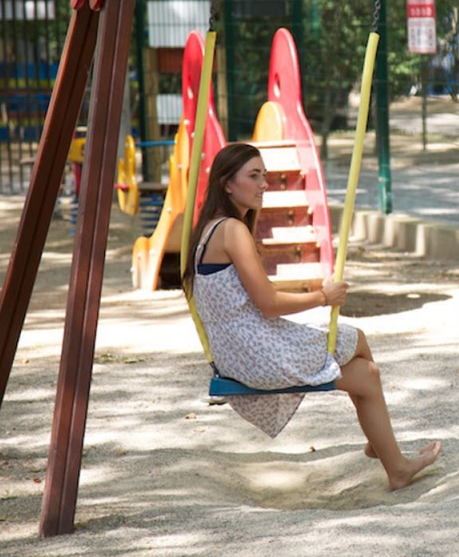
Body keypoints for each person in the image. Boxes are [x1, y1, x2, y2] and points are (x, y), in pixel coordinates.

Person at [182, 143, 441, 490]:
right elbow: (269, 303)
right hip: (256, 354)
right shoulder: (232, 230)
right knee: (359, 343)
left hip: (239, 350)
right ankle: (388, 455)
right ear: (227, 184)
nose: (263, 185)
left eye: (265, 177)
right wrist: (323, 297)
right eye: (254, 176)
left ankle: (385, 451)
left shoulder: (210, 229)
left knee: (367, 375)